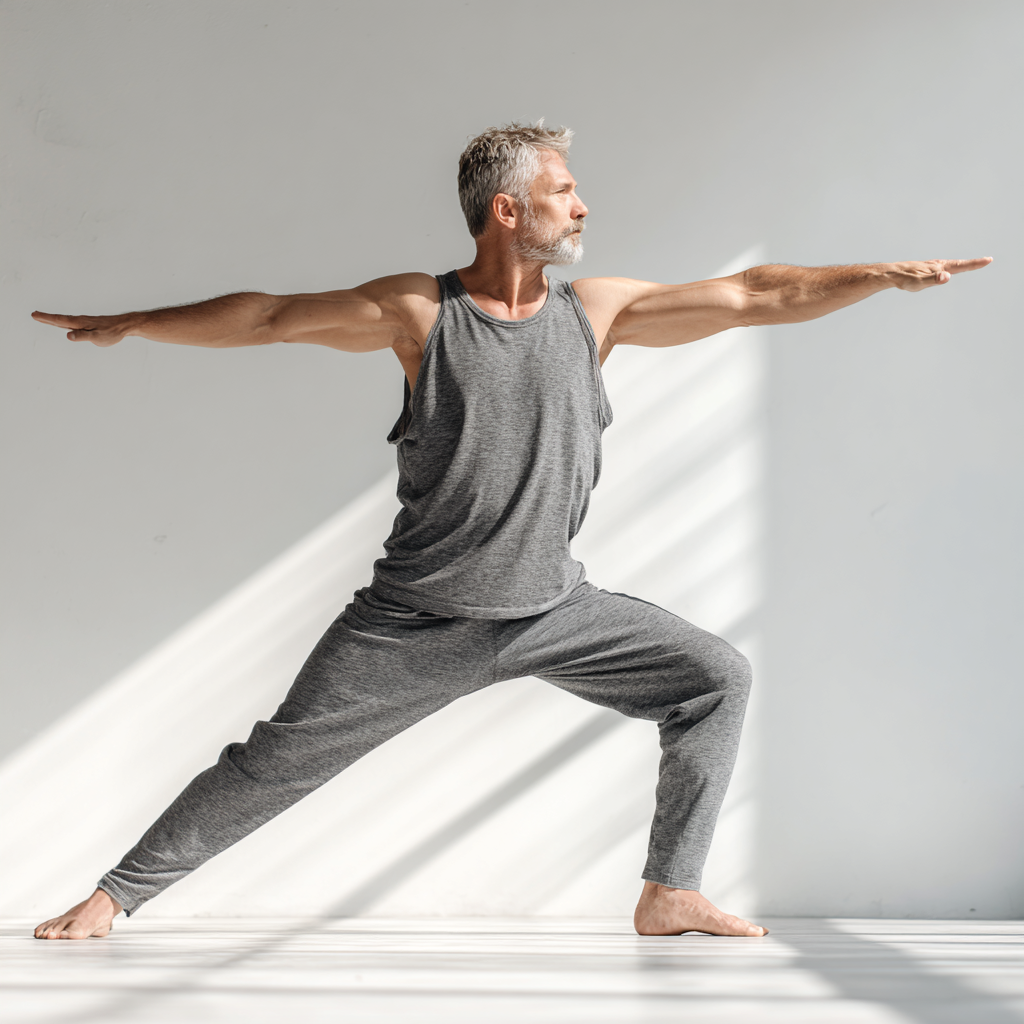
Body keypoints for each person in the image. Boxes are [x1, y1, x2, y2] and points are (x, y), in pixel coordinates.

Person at [31, 122, 990, 941]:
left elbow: (752, 295)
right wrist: (137, 320)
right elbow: (273, 315)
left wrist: (874, 273)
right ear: (507, 210)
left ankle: (670, 891)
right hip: (415, 622)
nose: (580, 208)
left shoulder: (596, 313)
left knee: (715, 678)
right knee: (274, 762)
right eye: (564, 192)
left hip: (553, 607)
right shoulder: (421, 312)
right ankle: (113, 898)